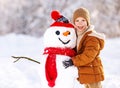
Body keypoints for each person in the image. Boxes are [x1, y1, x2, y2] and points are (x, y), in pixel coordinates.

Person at [71, 7, 105, 88]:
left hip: (93, 72)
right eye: (77, 20)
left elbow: (88, 55)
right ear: (74, 23)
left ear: (87, 22)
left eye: (83, 20)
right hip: (86, 72)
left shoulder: (92, 37)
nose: (80, 23)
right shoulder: (77, 35)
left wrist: (73, 61)